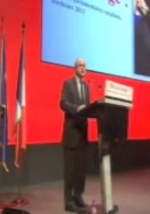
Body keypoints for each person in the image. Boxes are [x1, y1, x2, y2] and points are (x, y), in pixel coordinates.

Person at [60, 58, 90, 212]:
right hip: (71, 135)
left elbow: (88, 108)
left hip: (83, 135)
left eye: (85, 65)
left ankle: (78, 196)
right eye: (80, 65)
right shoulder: (68, 83)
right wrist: (78, 108)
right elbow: (63, 103)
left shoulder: (86, 87)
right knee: (70, 171)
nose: (83, 68)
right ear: (75, 68)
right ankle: (68, 201)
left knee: (80, 170)